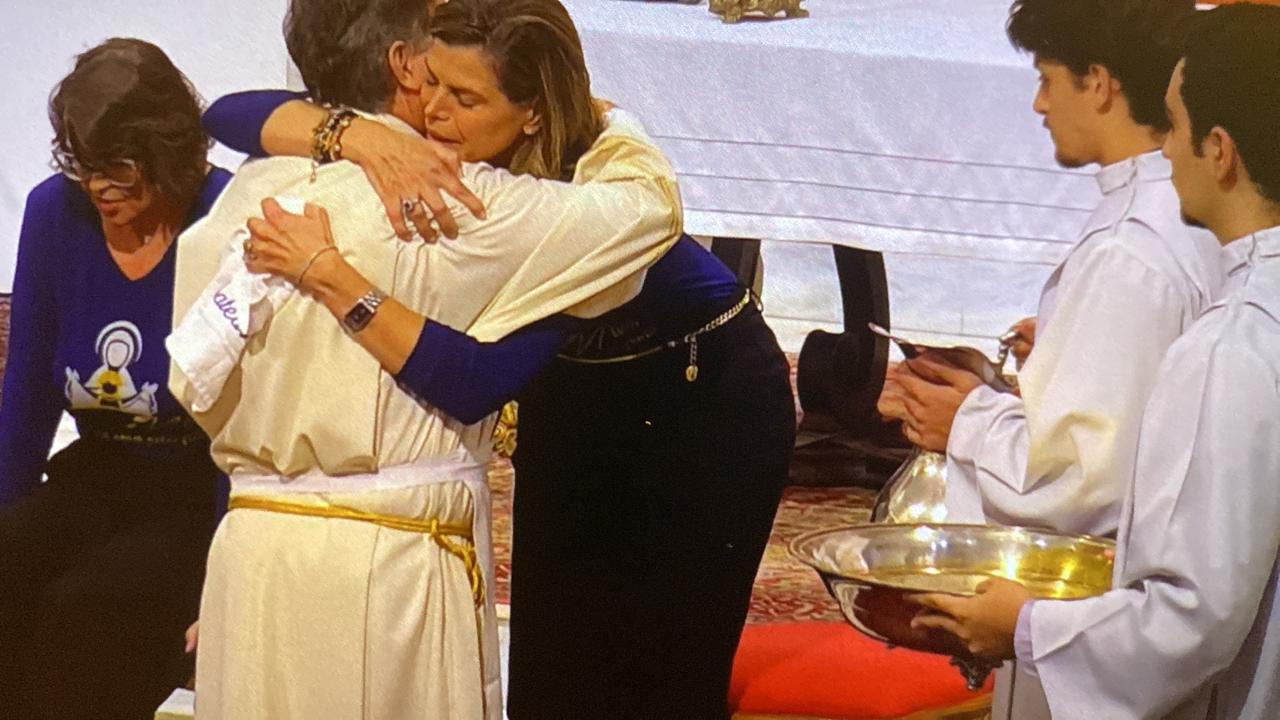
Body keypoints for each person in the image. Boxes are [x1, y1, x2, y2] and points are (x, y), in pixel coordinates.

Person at [204, 1, 795, 717]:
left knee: (661, 673)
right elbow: (227, 113)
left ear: (532, 114)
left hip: (699, 402)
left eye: (465, 97)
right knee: (549, 675)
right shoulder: (437, 156)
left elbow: (475, 381)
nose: (434, 111)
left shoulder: (573, 201)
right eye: (431, 83)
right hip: (578, 391)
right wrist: (355, 134)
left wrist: (334, 278)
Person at [911, 6, 1280, 717]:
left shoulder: (1218, 331)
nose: (1164, 149)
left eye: (1174, 126)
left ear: (1221, 151)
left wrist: (1023, 628)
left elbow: (1188, 613)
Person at [882, 0, 1220, 538]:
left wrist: (966, 421)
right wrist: (1069, 342)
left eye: (1047, 79)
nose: (1039, 104)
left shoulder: (1129, 249)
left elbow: (1089, 485)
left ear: (1099, 85)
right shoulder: (1191, 199)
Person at [0, 38, 230, 719]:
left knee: (81, 618)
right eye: (82, 163)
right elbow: (27, 400)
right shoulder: (54, 211)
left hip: (198, 493)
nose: (98, 185)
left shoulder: (225, 217)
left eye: (119, 167)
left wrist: (228, 585)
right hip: (98, 475)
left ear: (166, 152)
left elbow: (249, 426)